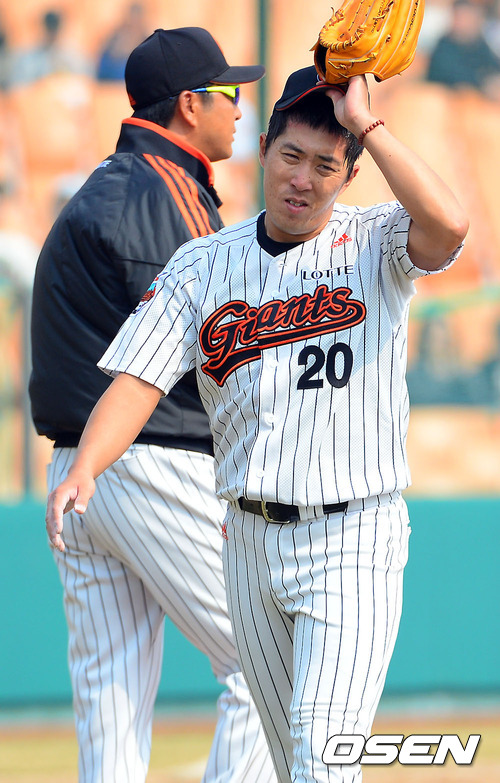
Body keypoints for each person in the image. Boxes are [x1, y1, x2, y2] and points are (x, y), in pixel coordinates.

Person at [45, 64, 469, 783]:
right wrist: (85, 466)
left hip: (352, 536)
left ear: (351, 174)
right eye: (291, 156)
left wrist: (367, 125)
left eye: (326, 165)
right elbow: (139, 378)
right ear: (265, 149)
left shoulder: (377, 243)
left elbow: (450, 225)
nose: (303, 179)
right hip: (246, 541)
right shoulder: (203, 264)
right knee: (286, 764)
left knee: (321, 759)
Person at [30, 27, 276, 783]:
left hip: (82, 469)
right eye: (228, 93)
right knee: (271, 660)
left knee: (112, 700)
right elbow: (211, 346)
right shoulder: (161, 194)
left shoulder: (112, 185)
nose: (240, 108)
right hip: (150, 461)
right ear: (189, 104)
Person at [426, 0, 500, 99]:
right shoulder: (444, 45)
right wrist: (483, 83)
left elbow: (492, 65)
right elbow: (451, 76)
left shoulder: (478, 43)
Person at [96, 2, 149, 81]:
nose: (134, 23)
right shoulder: (115, 39)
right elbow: (103, 68)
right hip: (112, 81)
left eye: (137, 19)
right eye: (132, 18)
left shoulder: (147, 42)